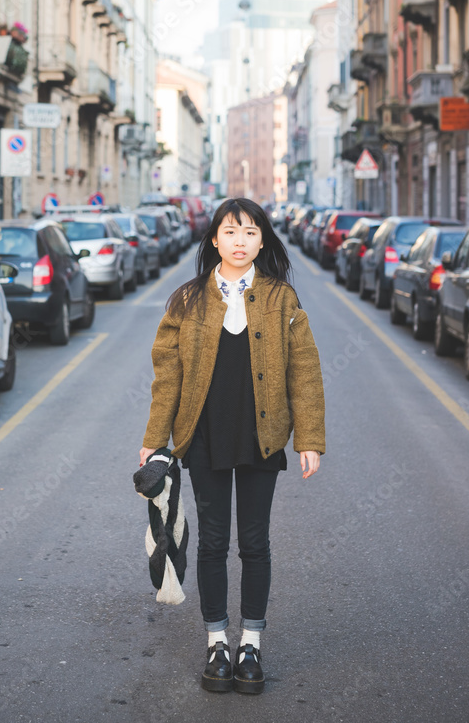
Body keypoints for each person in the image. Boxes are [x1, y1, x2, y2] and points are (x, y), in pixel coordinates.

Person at [139, 197, 325, 695]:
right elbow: (167, 375)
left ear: (262, 239)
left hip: (262, 436)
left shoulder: (282, 299)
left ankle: (252, 645)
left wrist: (308, 439)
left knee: (256, 542)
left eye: (249, 232)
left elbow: (304, 373)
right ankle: (217, 642)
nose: (239, 241)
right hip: (204, 435)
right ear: (214, 239)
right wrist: (156, 440)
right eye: (230, 232)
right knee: (214, 541)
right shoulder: (187, 299)